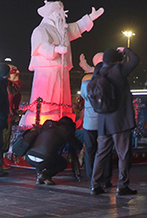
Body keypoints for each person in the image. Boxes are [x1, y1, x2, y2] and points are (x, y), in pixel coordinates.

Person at [22, 1, 104, 125]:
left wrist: (90, 18)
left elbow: (77, 27)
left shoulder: (62, 29)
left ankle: (64, 115)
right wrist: (55, 50)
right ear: (51, 13)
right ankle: (47, 117)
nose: (62, 15)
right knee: (47, 95)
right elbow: (41, 46)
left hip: (62, 68)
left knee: (63, 95)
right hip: (47, 69)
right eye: (59, 11)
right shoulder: (41, 29)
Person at [90, 46, 140, 196]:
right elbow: (136, 60)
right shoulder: (118, 71)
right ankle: (122, 185)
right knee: (123, 154)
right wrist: (125, 49)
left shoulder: (98, 72)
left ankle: (95, 184)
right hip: (120, 121)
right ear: (116, 61)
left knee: (101, 154)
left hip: (104, 120)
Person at [26, 116, 82, 184]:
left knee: (40, 153)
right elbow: (78, 146)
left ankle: (39, 176)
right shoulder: (65, 131)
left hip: (29, 157)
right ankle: (45, 175)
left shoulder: (47, 125)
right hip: (44, 158)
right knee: (62, 163)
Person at [78, 52, 104, 183]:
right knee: (103, 150)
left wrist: (84, 64)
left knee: (90, 150)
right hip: (104, 122)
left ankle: (91, 177)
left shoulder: (85, 85)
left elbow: (83, 97)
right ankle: (103, 177)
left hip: (89, 123)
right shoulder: (106, 83)